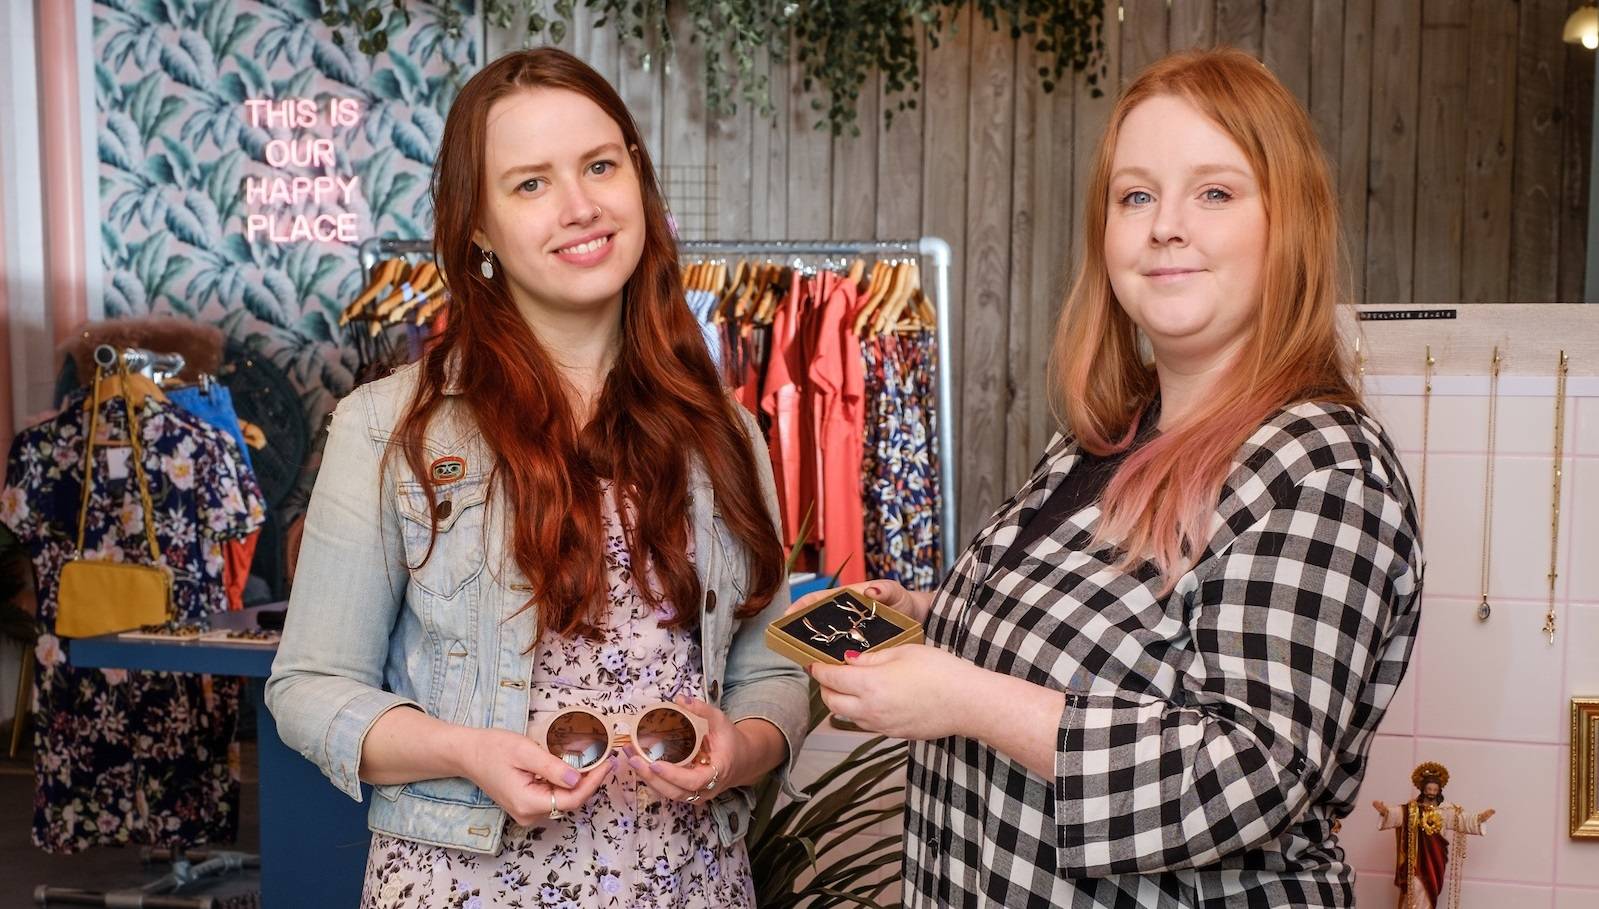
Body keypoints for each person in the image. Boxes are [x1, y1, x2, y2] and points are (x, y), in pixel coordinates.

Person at [797, 48, 1422, 907]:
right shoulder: (1099, 441)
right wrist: (937, 618)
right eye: (1136, 196)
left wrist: (963, 696)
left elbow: (1248, 771)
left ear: (1289, 224)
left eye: (1213, 192)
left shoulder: (1321, 468)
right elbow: (1096, 652)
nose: (1165, 225)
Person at [266, 47, 809, 908]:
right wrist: (465, 750)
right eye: (529, 184)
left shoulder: (726, 431)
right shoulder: (385, 426)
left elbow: (771, 671)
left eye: (599, 164)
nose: (579, 206)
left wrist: (739, 747)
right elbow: (308, 688)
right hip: (466, 880)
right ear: (477, 227)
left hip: (689, 881)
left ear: (637, 176)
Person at [1372, 762, 1493, 909]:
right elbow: (1398, 814)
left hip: (1435, 859)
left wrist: (1479, 819)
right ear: (1423, 789)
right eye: (1429, 788)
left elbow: (1461, 820)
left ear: (1439, 790)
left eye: (1435, 789)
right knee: (1414, 887)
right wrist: (1386, 812)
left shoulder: (1445, 810)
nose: (1431, 792)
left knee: (1430, 891)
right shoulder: (1412, 809)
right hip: (1416, 859)